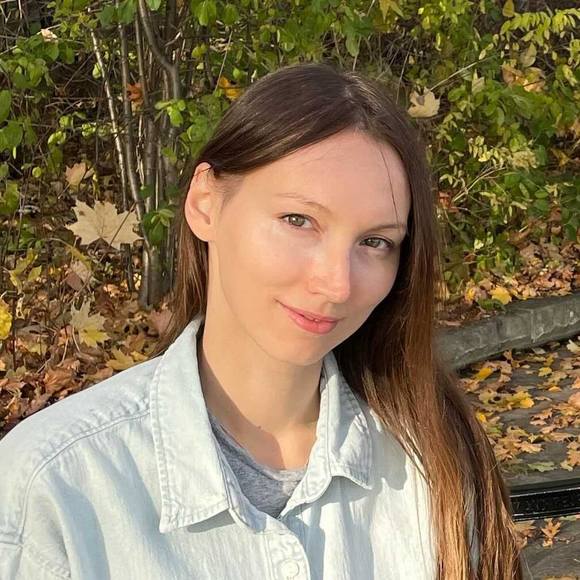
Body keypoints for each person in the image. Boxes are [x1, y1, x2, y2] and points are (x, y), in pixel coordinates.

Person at [0, 62, 523, 579]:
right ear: (205, 204)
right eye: (299, 220)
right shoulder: (56, 486)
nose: (337, 284)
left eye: (375, 242)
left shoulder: (433, 459)